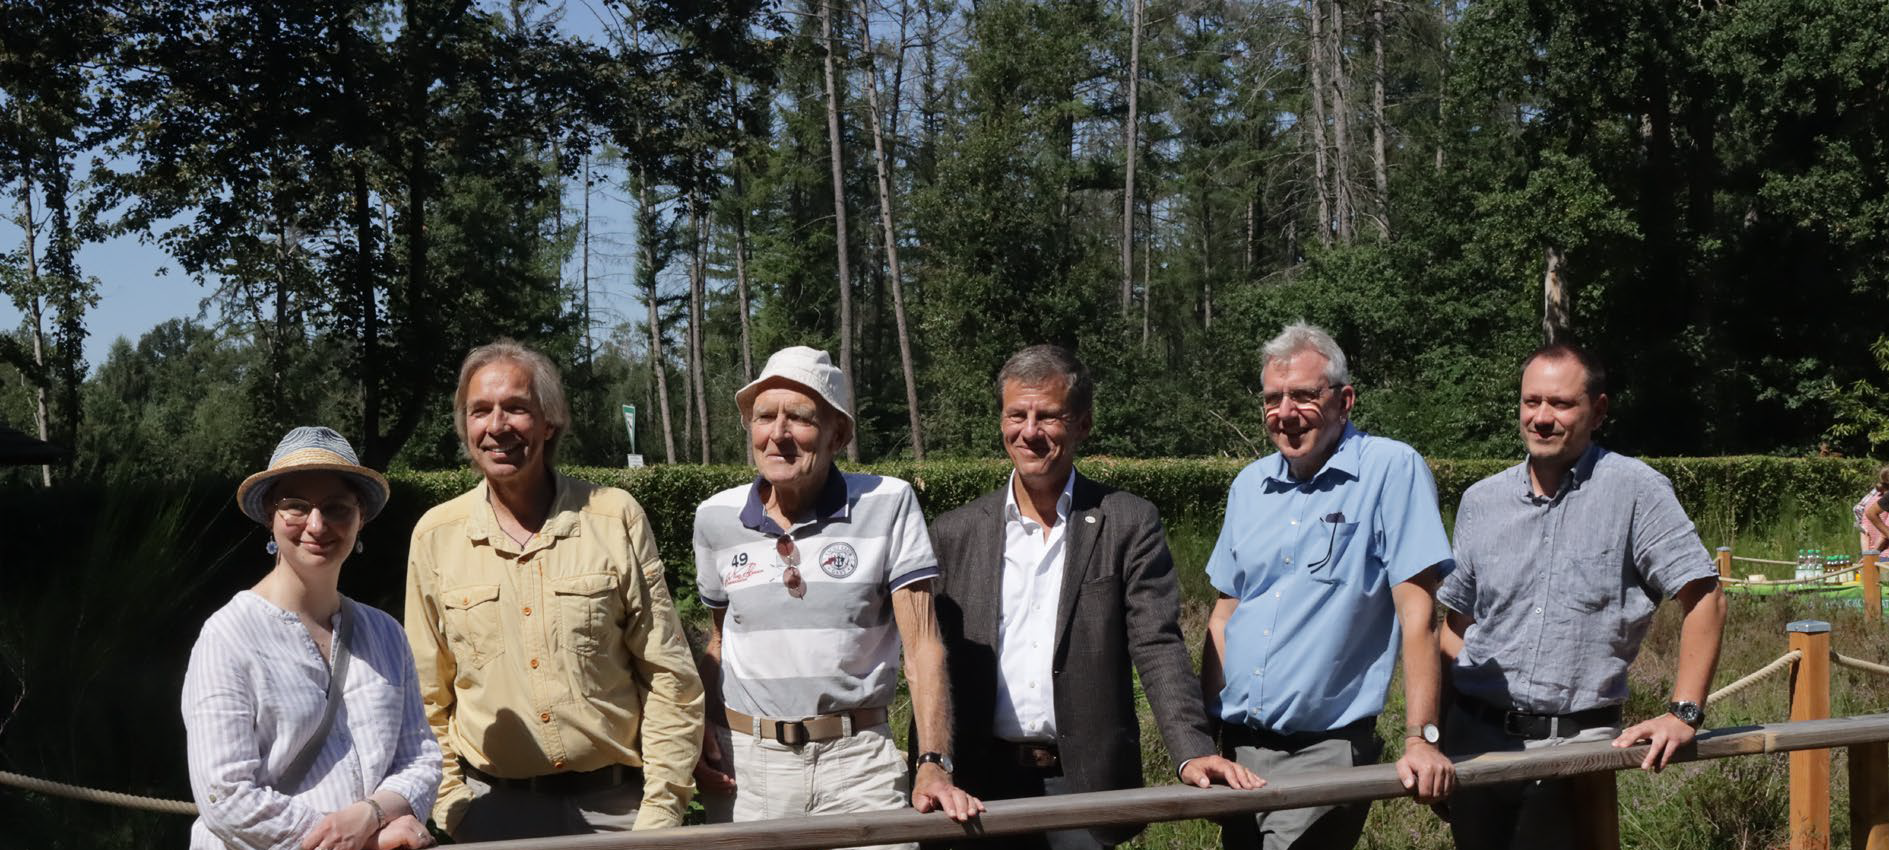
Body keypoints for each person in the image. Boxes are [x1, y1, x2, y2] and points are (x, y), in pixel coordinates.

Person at [928, 345, 1262, 850]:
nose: (1030, 431)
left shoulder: (1127, 521)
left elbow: (1157, 644)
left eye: (1049, 416)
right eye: (1017, 415)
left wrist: (1192, 750)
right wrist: (930, 765)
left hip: (1082, 786)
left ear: (1082, 424)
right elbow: (928, 658)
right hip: (976, 786)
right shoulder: (954, 533)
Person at [404, 340, 704, 841]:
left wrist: (660, 813)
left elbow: (669, 675)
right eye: (480, 411)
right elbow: (424, 697)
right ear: (465, 428)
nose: (497, 426)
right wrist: (453, 806)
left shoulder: (613, 518)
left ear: (549, 422)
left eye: (517, 408)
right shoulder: (436, 536)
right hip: (492, 818)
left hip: (620, 816)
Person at [1437, 342, 1728, 850]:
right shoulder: (1480, 501)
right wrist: (1440, 736)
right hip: (1475, 743)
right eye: (1531, 402)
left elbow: (1705, 597)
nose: (1542, 418)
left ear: (1599, 410)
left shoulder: (1636, 490)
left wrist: (1683, 712)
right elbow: (1455, 626)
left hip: (1573, 749)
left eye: (1561, 404)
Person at [691, 346, 981, 848]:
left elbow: (923, 646)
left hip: (857, 762)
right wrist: (702, 736)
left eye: (799, 418)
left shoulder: (888, 502)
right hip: (748, 769)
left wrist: (933, 762)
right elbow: (719, 642)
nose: (777, 434)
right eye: (764, 416)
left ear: (838, 435)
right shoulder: (714, 517)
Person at [1200, 322, 1457, 850]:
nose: (1285, 413)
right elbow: (1224, 614)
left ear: (1345, 401)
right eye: (1273, 398)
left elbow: (1420, 615)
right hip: (1239, 747)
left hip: (1326, 751)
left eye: (1303, 396)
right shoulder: (1249, 485)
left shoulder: (1390, 469)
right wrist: (1208, 735)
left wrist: (1421, 738)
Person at [184, 426, 440, 850]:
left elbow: (420, 758)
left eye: (337, 508)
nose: (317, 525)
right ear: (270, 515)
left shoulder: (386, 634)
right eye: (296, 506)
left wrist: (372, 814)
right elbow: (225, 795)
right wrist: (359, 840)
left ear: (360, 518)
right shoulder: (228, 636)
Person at [1855, 465, 1889, 554]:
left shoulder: (1872, 499)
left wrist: (1866, 553)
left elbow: (1864, 531)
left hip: (1872, 552)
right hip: (1883, 553)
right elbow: (1884, 535)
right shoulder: (1884, 502)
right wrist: (1874, 553)